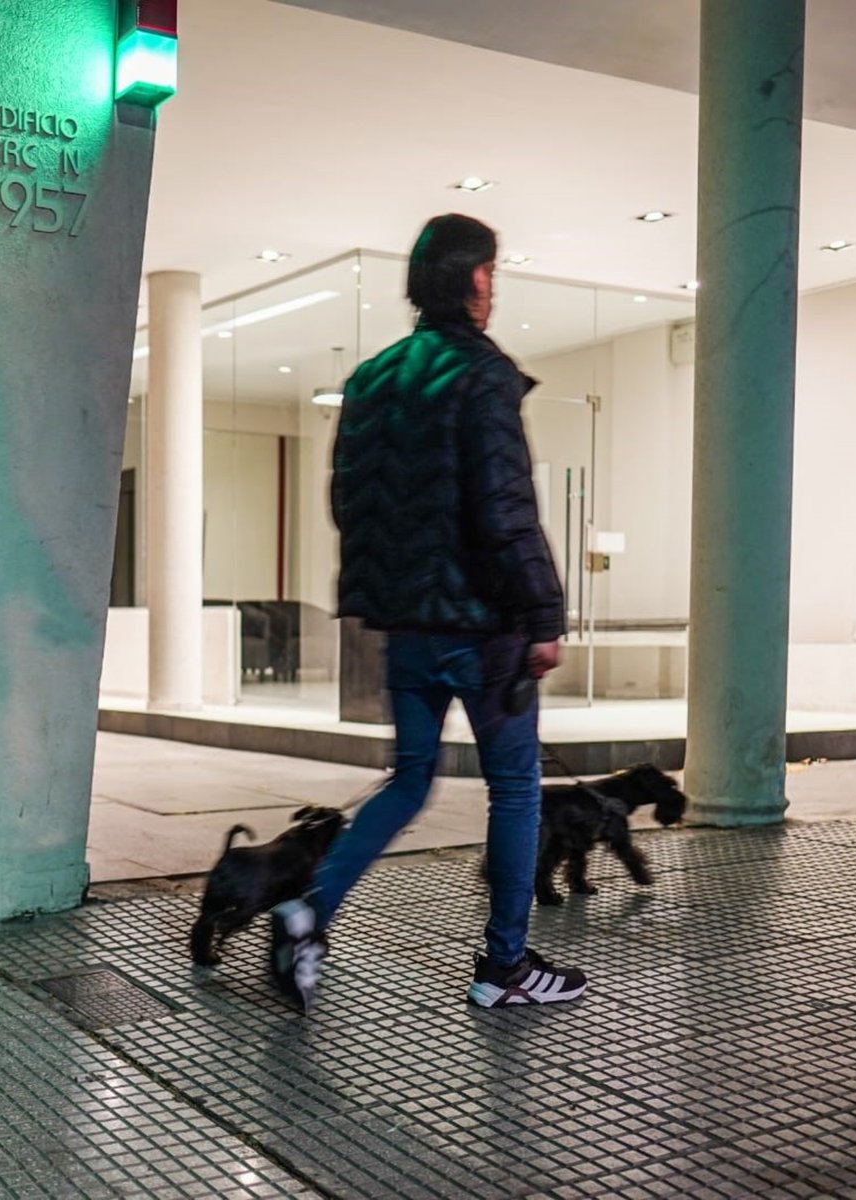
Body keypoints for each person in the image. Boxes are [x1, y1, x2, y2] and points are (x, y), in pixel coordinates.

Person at [269, 214, 587, 1012]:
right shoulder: (483, 376)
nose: (494, 288)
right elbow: (506, 509)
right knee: (515, 789)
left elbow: (349, 502)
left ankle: (310, 910)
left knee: (410, 780)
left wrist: (404, 593)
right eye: (492, 274)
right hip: (487, 631)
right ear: (475, 279)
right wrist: (543, 617)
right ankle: (504, 968)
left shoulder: (374, 379)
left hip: (408, 628)